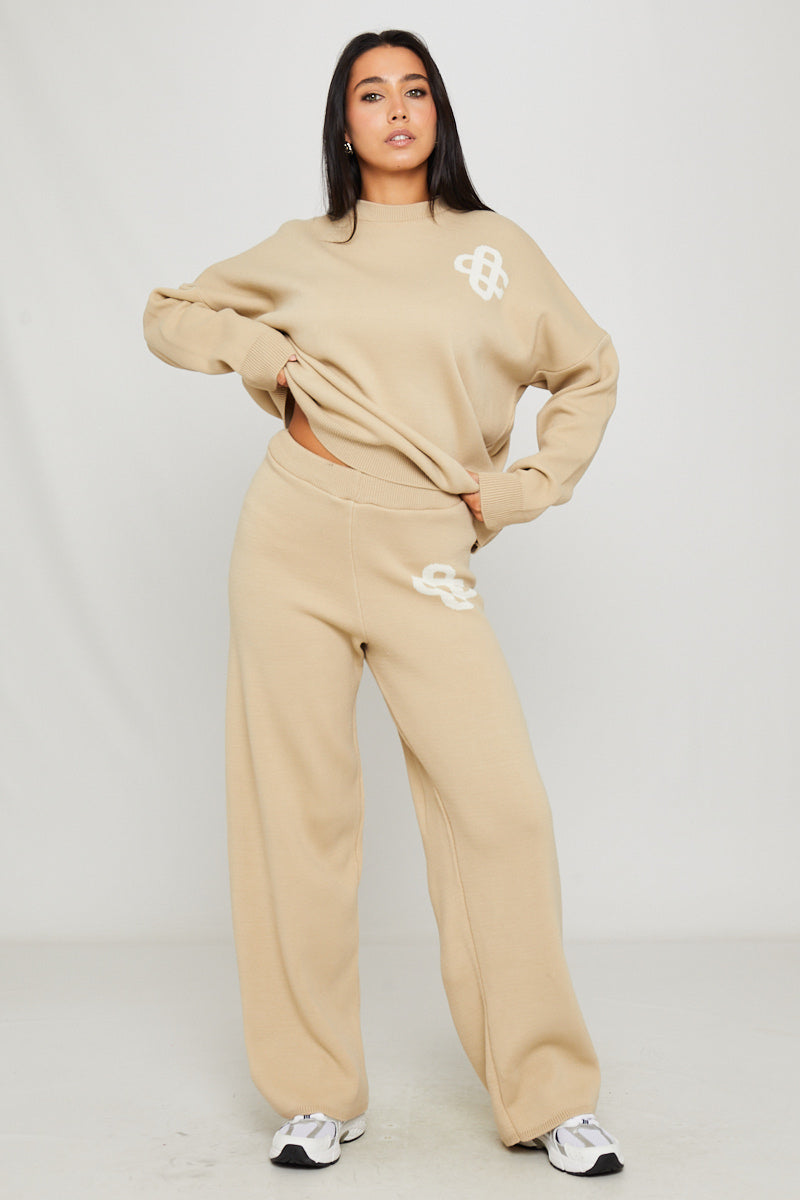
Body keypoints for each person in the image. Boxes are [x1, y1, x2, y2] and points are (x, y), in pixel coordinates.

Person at [142, 28, 624, 1178]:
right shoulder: (305, 249)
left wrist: (518, 490)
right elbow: (168, 313)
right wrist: (262, 353)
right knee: (297, 818)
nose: (396, 109)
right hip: (292, 534)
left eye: (414, 90)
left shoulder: (494, 250)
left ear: (437, 114)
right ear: (344, 123)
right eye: (371, 93)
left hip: (425, 547)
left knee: (499, 809)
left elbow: (588, 369)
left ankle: (545, 1094)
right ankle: (315, 1093)